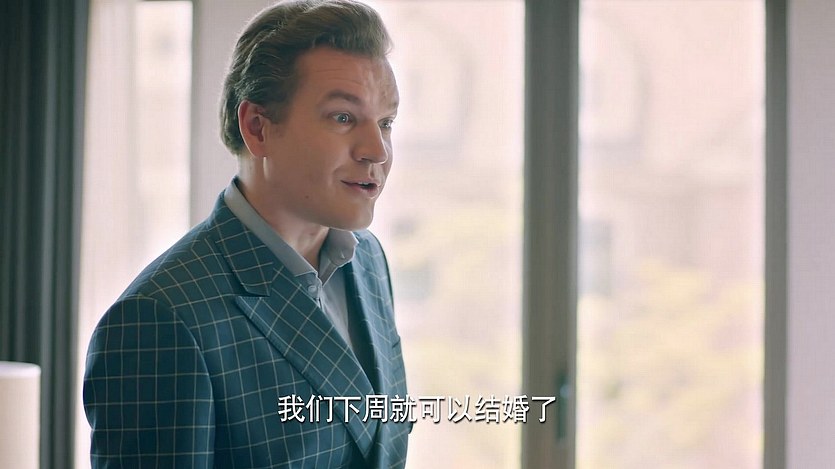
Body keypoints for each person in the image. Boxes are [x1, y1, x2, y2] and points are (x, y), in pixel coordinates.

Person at [83, 1, 409, 467]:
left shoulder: (368, 259)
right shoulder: (161, 319)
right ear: (257, 127)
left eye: (386, 122)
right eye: (343, 117)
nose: (377, 150)